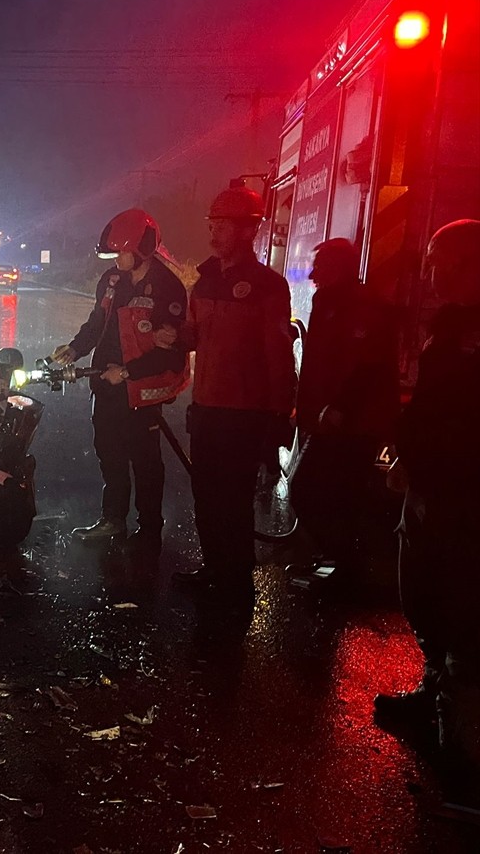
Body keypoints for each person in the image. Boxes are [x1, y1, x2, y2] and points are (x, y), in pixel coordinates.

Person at [374, 219, 480, 787]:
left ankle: (461, 748)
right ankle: (431, 696)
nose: (430, 273)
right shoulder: (451, 324)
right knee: (424, 596)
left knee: (463, 611)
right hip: (431, 490)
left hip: (463, 497)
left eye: (440, 261)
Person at [174, 182, 295, 600]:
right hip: (206, 409)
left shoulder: (267, 286)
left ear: (247, 230)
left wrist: (279, 417)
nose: (214, 233)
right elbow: (193, 336)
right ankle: (215, 569)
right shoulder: (204, 282)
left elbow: (279, 356)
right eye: (213, 224)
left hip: (244, 414)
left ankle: (236, 581)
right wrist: (171, 337)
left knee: (234, 500)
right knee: (205, 496)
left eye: (223, 225)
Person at [51, 209, 189, 557]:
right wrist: (75, 349)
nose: (116, 259)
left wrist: (127, 372)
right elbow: (97, 323)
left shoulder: (167, 288)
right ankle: (112, 518)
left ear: (141, 249)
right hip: (107, 386)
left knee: (145, 461)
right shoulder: (111, 281)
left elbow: (172, 352)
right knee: (109, 453)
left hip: (141, 390)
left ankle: (149, 527)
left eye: (121, 252)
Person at [289, 238, 400, 586]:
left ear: (339, 268)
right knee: (330, 493)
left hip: (353, 423)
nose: (311, 274)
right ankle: (334, 563)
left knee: (311, 489)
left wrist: (338, 409)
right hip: (331, 420)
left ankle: (342, 567)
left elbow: (367, 367)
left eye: (320, 266)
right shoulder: (332, 302)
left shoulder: (363, 307)